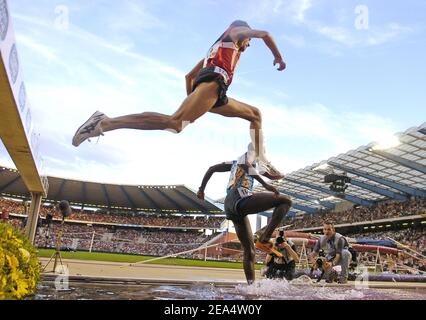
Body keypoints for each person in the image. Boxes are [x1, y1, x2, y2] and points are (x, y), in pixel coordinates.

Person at [72, 20, 287, 179]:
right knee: (174, 123)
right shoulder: (235, 31)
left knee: (255, 114)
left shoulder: (216, 50)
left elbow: (189, 76)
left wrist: (192, 99)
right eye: (249, 41)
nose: (248, 45)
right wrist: (277, 56)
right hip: (213, 84)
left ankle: (261, 160)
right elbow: (266, 34)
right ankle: (103, 122)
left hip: (213, 92)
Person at [197, 143, 292, 284]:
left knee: (250, 251)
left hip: (230, 205)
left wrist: (201, 189)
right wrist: (266, 185)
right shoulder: (248, 156)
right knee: (285, 201)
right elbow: (245, 165)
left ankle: (250, 287)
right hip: (239, 196)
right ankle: (265, 238)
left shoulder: (235, 163)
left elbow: (212, 168)